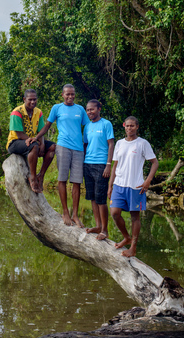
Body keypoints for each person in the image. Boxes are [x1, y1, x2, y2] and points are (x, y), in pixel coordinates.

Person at [33, 84, 90, 226]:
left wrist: (87, 145)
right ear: (62, 95)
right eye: (67, 94)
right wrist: (36, 138)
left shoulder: (80, 110)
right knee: (62, 179)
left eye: (72, 94)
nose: (70, 97)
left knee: (77, 182)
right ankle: (65, 212)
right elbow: (47, 126)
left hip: (78, 149)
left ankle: (75, 215)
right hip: (63, 147)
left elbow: (88, 128)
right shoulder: (56, 108)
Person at [108, 116, 158, 258]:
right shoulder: (119, 143)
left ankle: (133, 248)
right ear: (124, 126)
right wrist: (110, 186)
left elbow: (155, 163)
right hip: (119, 185)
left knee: (135, 217)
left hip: (135, 186)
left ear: (137, 127)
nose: (129, 128)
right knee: (115, 213)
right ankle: (126, 237)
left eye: (132, 126)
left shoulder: (142, 143)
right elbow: (115, 165)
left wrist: (148, 180)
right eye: (127, 126)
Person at [6, 89, 56, 193]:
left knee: (53, 147)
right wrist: (36, 142)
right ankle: (32, 178)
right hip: (15, 142)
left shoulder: (38, 112)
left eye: (35, 99)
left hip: (33, 141)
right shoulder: (17, 112)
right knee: (34, 145)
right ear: (24, 99)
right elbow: (19, 134)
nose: (33, 102)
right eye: (30, 99)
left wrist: (42, 143)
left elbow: (41, 130)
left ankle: (41, 176)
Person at [83, 100, 114, 241]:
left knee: (101, 199)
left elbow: (111, 144)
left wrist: (108, 164)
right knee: (93, 197)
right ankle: (97, 226)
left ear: (99, 109)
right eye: (88, 110)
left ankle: (105, 230)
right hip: (87, 164)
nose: (90, 112)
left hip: (101, 165)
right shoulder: (87, 126)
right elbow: (85, 145)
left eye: (92, 109)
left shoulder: (106, 124)